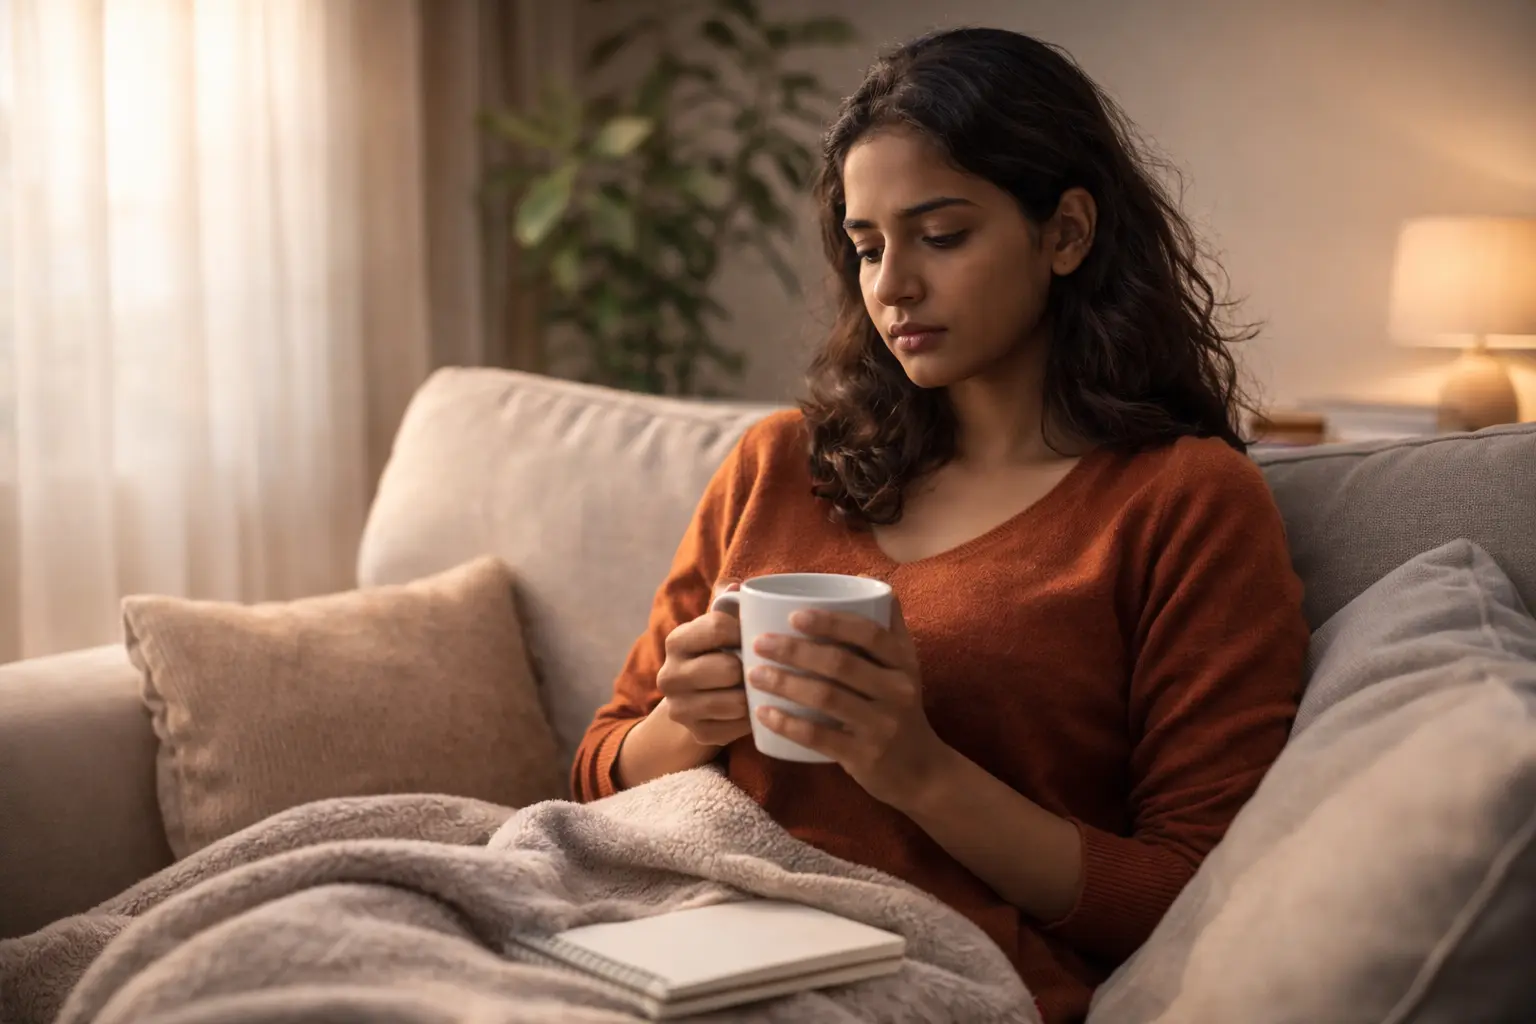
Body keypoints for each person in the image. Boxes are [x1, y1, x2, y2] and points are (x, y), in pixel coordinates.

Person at [571, 26, 1307, 1024]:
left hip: (916, 972)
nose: (892, 287)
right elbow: (599, 772)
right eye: (868, 247)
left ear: (1067, 233)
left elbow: (1185, 893)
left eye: (942, 235)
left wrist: (915, 769)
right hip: (659, 924)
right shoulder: (779, 464)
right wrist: (686, 722)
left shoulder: (1183, 503)